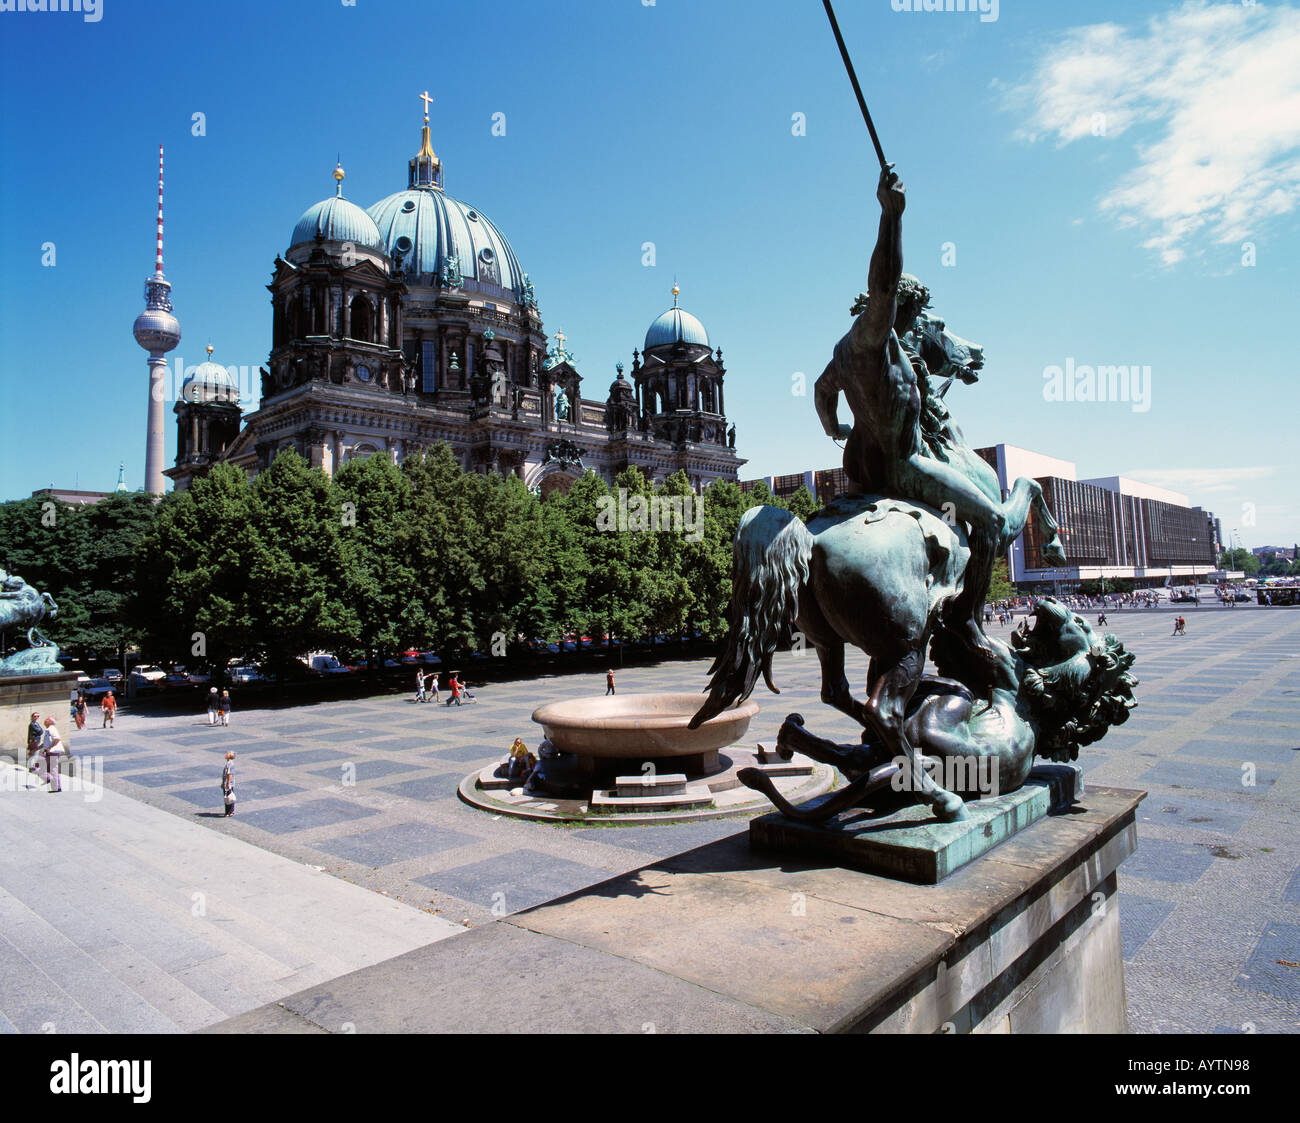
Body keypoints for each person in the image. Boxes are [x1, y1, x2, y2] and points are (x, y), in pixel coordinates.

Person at [38, 716, 65, 793]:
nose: (45, 720)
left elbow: (57, 739)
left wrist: (50, 748)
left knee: (53, 769)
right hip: (48, 752)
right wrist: (36, 749)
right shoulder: (48, 730)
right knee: (41, 765)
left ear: (50, 722)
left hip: (52, 752)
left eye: (47, 719)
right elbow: (45, 743)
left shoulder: (52, 729)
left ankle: (56, 787)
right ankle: (51, 782)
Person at [220, 751, 236, 816]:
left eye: (227, 754)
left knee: (229, 797)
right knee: (226, 797)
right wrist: (223, 783)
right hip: (226, 783)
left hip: (229, 784)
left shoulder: (230, 764)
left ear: (230, 756)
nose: (226, 754)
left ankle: (230, 811)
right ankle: (227, 812)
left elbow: (230, 774)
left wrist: (228, 783)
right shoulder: (228, 763)